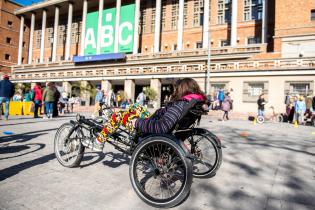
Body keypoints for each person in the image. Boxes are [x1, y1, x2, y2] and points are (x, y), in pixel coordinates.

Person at [82, 78, 206, 151]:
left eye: (176, 89)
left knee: (117, 116)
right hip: (154, 121)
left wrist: (137, 122)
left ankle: (99, 141)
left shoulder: (180, 104)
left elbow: (162, 127)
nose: (174, 91)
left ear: (182, 89)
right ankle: (113, 118)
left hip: (149, 130)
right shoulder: (190, 102)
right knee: (137, 107)